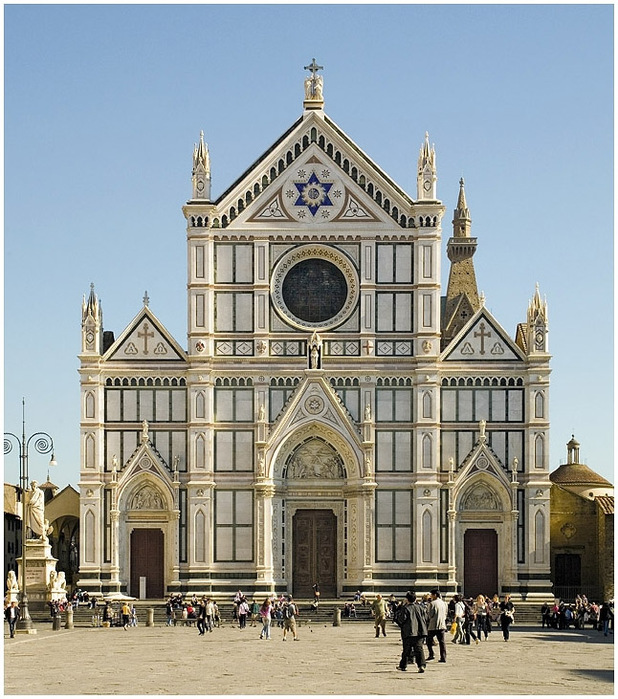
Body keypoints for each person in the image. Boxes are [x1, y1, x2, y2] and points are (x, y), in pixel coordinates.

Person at [396, 591, 428, 673]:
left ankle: (403, 666)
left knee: (406, 649)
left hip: (409, 632)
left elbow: (401, 619)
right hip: (420, 631)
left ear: (407, 599)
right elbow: (426, 618)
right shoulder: (421, 608)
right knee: (419, 649)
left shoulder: (406, 608)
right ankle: (421, 665)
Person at [427, 589, 448, 663]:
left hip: (433, 625)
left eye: (431, 594)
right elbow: (446, 613)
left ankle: (431, 654)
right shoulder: (444, 603)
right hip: (442, 625)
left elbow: (430, 615)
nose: (431, 596)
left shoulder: (432, 603)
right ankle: (443, 657)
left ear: (435, 595)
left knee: (428, 640)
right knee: (442, 642)